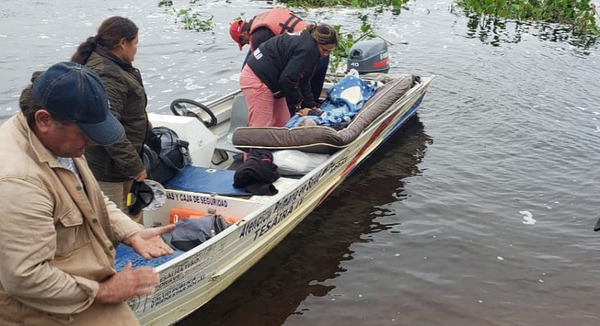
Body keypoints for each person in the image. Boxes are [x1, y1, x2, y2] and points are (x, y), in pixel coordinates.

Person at [0, 61, 175, 326]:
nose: (93, 142)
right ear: (44, 119)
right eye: (86, 133)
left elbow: (90, 198)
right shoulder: (18, 181)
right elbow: (25, 277)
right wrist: (105, 291)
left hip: (81, 287)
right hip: (47, 309)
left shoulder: (58, 144)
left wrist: (131, 232)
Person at [71, 16, 149, 223]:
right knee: (114, 225)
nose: (136, 49)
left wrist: (143, 121)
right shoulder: (108, 75)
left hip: (118, 163)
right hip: (109, 167)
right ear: (123, 43)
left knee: (129, 215)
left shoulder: (111, 63)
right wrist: (134, 166)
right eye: (136, 44)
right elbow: (106, 127)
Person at [239, 23, 338, 128]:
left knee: (283, 122)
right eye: (325, 50)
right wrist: (298, 104)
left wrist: (311, 104)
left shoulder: (308, 43)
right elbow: (288, 80)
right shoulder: (308, 50)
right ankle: (254, 143)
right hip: (257, 78)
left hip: (273, 80)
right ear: (317, 42)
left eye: (329, 52)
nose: (326, 55)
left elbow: (304, 80)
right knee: (262, 126)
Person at [229, 8, 330, 109]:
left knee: (291, 93)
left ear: (243, 35)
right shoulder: (268, 15)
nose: (248, 44)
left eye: (245, 42)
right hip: (322, 49)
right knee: (312, 102)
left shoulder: (259, 36)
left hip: (307, 56)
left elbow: (265, 68)